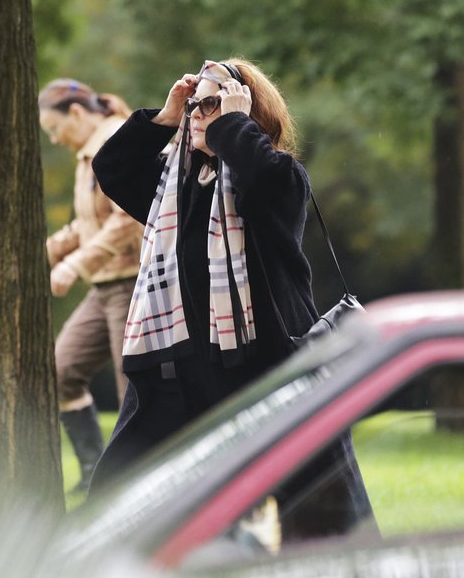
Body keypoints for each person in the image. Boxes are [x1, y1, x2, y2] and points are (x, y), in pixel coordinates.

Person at [89, 59, 374, 537]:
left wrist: (233, 125)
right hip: (180, 377)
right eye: (195, 105)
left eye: (211, 103)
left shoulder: (275, 178)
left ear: (246, 114)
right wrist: (165, 115)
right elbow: (111, 168)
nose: (198, 114)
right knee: (117, 503)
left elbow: (266, 178)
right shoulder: (173, 191)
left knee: (322, 518)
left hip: (267, 374)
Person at [38, 79, 143, 492]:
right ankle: (93, 474)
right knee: (60, 370)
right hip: (104, 287)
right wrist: (46, 252)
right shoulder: (87, 154)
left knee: (132, 395)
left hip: (133, 283)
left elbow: (128, 217)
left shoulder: (114, 141)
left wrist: (76, 263)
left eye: (54, 128)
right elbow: (88, 224)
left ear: (77, 114)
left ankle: (134, 488)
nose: (54, 138)